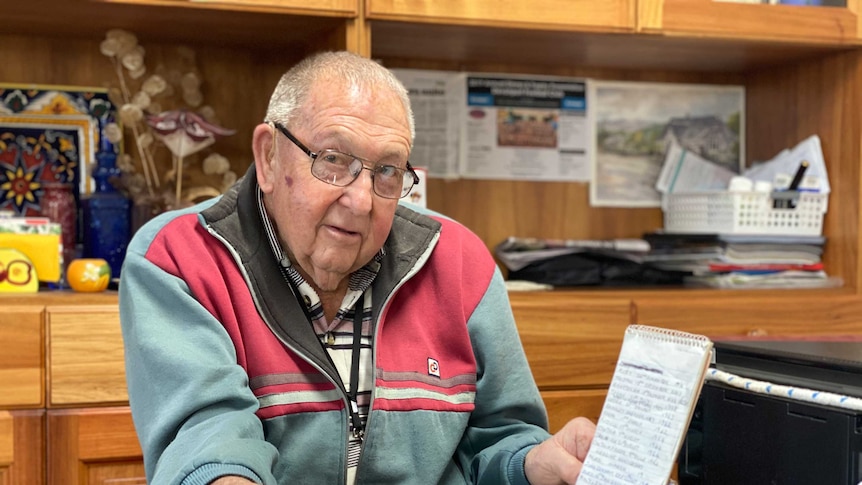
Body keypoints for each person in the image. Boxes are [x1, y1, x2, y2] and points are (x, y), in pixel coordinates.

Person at [119, 50, 596, 485]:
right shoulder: (181, 257)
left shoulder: (460, 263)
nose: (362, 199)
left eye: (388, 170)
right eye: (332, 160)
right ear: (267, 156)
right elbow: (208, 439)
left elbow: (497, 441)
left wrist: (533, 464)